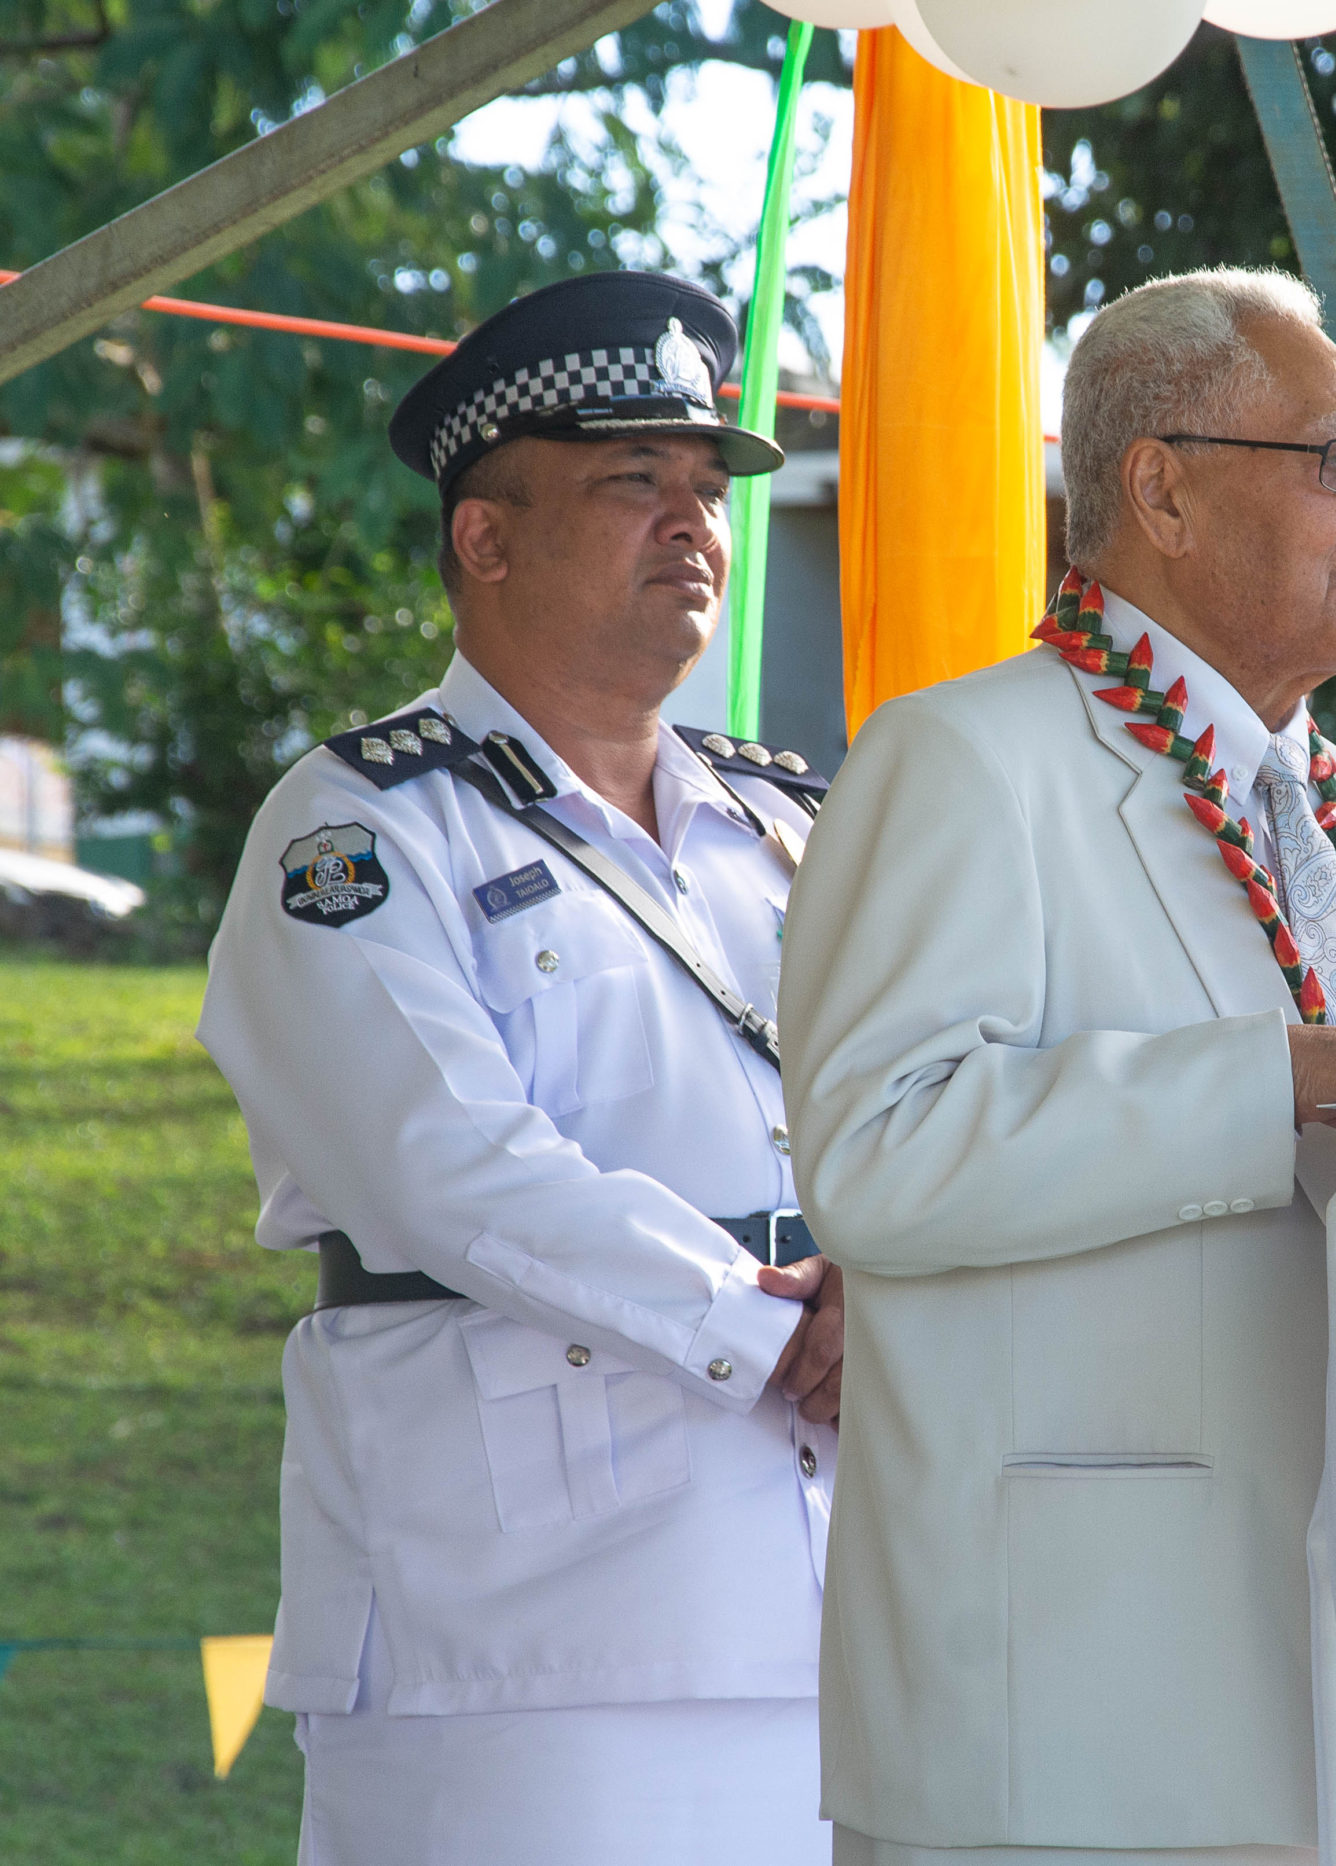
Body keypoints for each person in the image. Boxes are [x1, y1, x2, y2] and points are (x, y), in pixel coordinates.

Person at [779, 267, 1336, 1865]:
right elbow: (876, 1154)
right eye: (1335, 459)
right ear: (1159, 486)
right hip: (1067, 1699)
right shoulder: (968, 756)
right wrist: (1274, 1081)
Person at [198, 272, 844, 1865]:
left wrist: (896, 1294)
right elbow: (446, 1165)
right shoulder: (359, 825)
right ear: (483, 537)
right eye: (636, 481)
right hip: (520, 1626)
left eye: (708, 489)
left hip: (838, 1586)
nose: (694, 523)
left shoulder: (791, 828)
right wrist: (773, 1333)